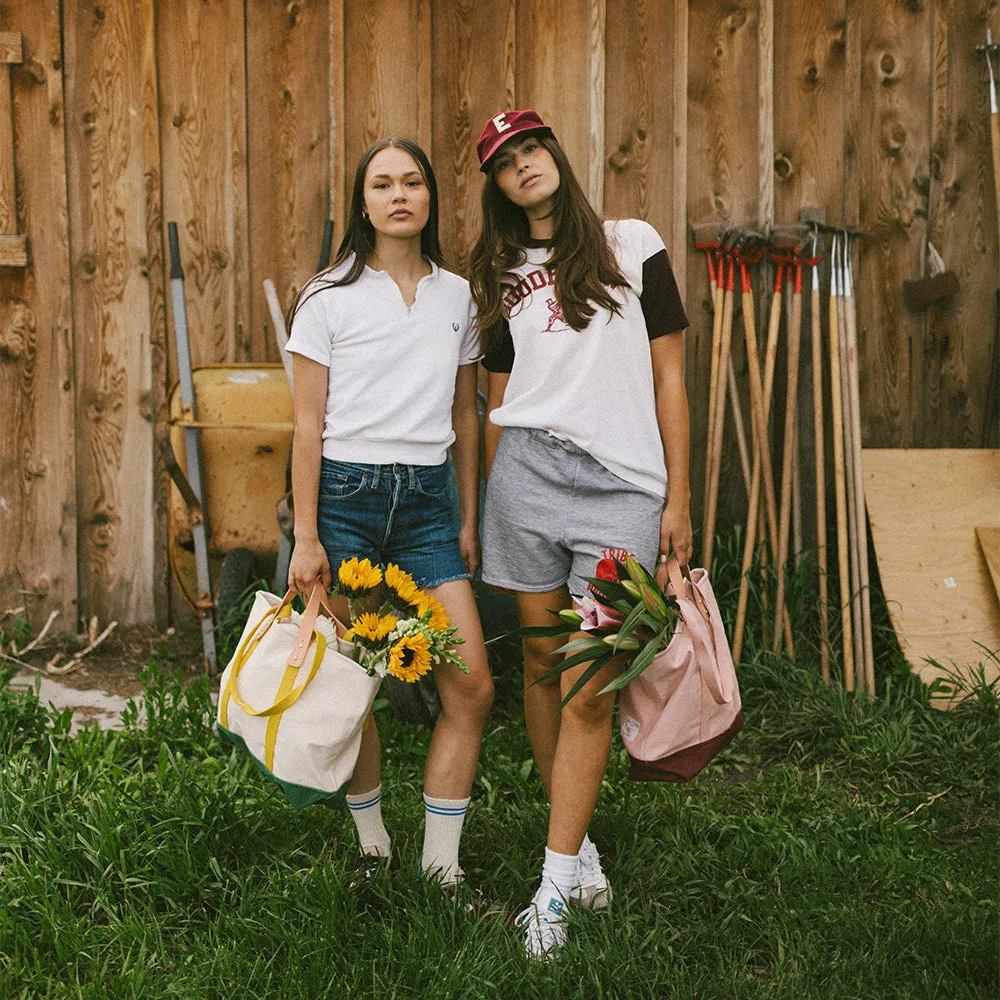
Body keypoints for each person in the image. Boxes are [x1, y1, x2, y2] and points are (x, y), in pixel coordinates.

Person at [469, 110, 692, 958]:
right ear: (494, 184)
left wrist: (677, 497)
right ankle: (580, 849)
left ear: (555, 154)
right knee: (536, 661)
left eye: (531, 148)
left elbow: (671, 375)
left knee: (590, 682)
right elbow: (497, 393)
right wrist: (490, 494)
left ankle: (554, 888)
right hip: (525, 481)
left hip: (619, 493)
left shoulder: (633, 244)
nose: (523, 165)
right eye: (504, 161)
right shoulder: (497, 272)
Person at [285, 137, 493, 890]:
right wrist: (306, 536)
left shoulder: (457, 295)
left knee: (470, 684)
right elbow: (307, 425)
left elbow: (468, 415)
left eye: (412, 182)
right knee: (352, 681)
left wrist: (468, 516)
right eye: (382, 184)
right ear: (362, 201)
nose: (399, 195)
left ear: (431, 197)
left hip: (430, 507)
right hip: (346, 498)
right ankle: (373, 844)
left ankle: (442, 866)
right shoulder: (327, 296)